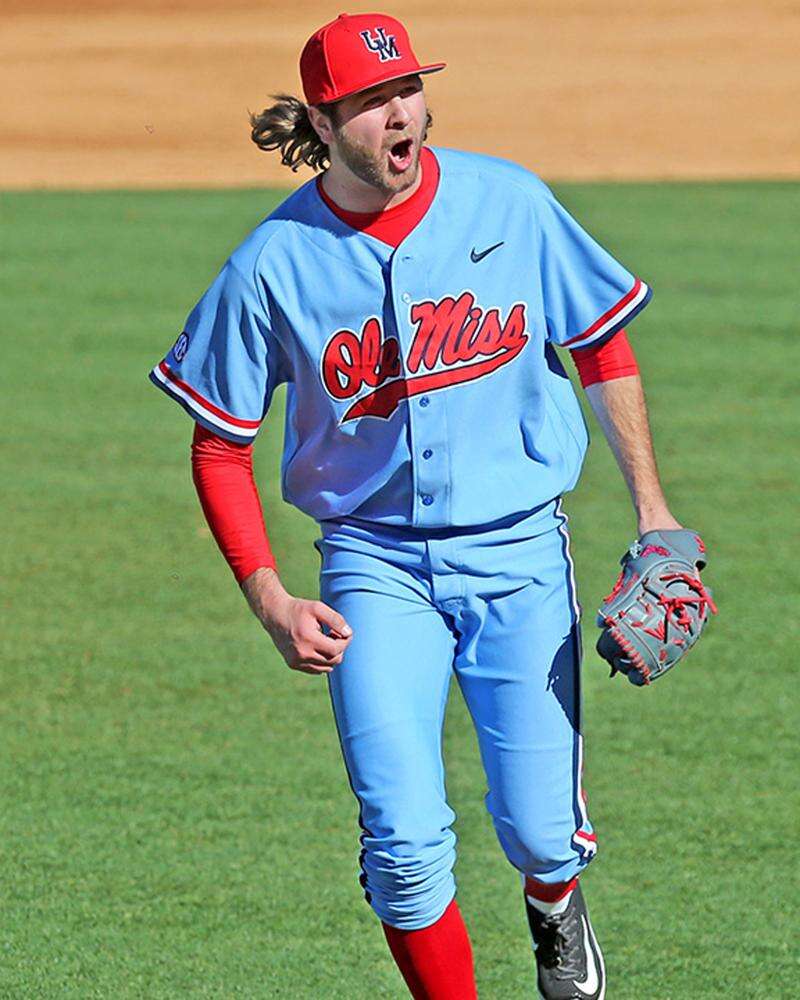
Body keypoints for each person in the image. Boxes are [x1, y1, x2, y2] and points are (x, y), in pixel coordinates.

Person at [149, 12, 687, 998]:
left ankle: (555, 908)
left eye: (407, 91)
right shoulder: (271, 263)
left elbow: (601, 343)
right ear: (323, 121)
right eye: (370, 103)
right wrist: (268, 597)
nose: (400, 114)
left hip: (520, 553)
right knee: (401, 840)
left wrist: (651, 510)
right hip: (371, 567)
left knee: (536, 828)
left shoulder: (509, 203)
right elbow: (218, 441)